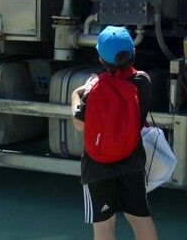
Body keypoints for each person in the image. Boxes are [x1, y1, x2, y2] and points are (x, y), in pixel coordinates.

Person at [72, 26, 157, 240]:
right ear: (132, 53)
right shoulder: (143, 81)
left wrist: (76, 94)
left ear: (101, 59)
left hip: (97, 167)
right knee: (140, 218)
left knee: (104, 226)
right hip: (131, 161)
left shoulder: (94, 88)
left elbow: (79, 124)